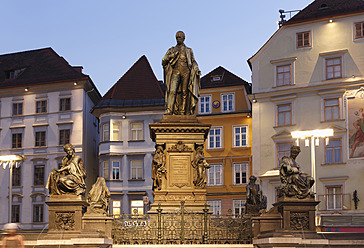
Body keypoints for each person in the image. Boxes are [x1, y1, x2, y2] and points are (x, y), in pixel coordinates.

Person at [162, 31, 200, 115]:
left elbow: (193, 62)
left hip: (186, 71)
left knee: (184, 92)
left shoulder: (188, 50)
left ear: (183, 38)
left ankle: (183, 111)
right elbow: (163, 61)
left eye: (179, 37)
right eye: (177, 37)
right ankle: (169, 110)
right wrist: (171, 56)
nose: (178, 39)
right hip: (175, 71)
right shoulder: (171, 50)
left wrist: (196, 69)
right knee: (172, 90)